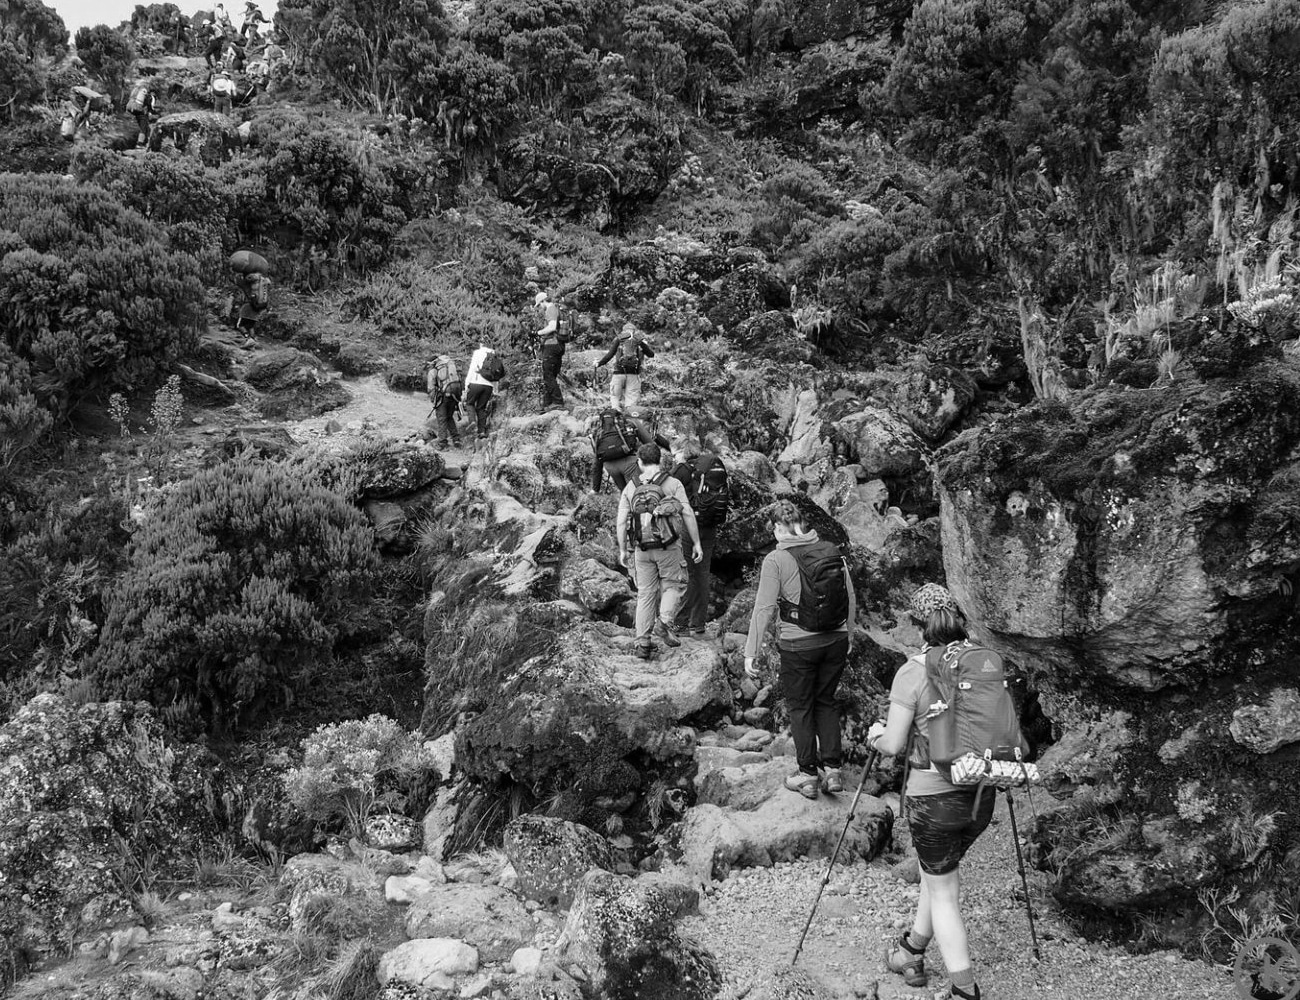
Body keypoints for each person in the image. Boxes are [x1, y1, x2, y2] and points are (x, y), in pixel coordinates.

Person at [867, 584, 990, 1000]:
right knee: (937, 873)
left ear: (919, 628)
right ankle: (911, 951)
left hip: (934, 799)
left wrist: (876, 734)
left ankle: (964, 989)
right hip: (980, 794)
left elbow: (895, 743)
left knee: (944, 894)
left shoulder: (913, 672)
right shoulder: (981, 661)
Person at [743, 499, 855, 800]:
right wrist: (850, 636)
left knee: (801, 706)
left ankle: (807, 775)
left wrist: (750, 650)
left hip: (798, 644)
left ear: (779, 527)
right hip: (836, 639)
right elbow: (850, 599)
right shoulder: (831, 550)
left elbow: (764, 608)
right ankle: (832, 770)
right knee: (826, 702)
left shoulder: (776, 560)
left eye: (774, 529)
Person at [616, 443, 703, 660]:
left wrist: (622, 550)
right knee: (675, 585)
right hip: (668, 547)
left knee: (645, 593)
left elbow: (620, 521)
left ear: (639, 462)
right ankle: (664, 623)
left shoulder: (630, 487)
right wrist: (697, 543)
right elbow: (688, 514)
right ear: (661, 461)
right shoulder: (672, 484)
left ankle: (643, 644)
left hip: (641, 548)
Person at [670, 441, 729, 636]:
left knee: (690, 575)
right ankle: (698, 623)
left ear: (683, 452)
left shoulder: (683, 470)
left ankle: (680, 623)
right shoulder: (712, 467)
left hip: (690, 525)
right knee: (703, 573)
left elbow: (666, 490)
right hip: (710, 524)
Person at [592, 405, 671, 492]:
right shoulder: (631, 422)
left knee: (625, 493)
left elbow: (597, 459)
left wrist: (595, 489)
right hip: (630, 464)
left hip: (610, 466)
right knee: (639, 492)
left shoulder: (599, 431)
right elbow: (651, 444)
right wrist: (657, 465)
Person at [595, 322, 654, 411]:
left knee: (615, 399)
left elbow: (609, 355)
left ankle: (615, 419)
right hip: (633, 375)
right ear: (634, 331)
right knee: (631, 405)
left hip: (618, 374)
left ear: (624, 331)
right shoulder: (639, 341)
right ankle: (629, 420)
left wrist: (598, 363)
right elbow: (651, 354)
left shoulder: (619, 340)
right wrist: (642, 344)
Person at [534, 291, 569, 411]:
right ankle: (547, 404)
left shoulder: (550, 309)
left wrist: (537, 333)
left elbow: (552, 326)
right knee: (551, 375)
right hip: (559, 345)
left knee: (548, 374)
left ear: (543, 301)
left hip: (551, 345)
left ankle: (558, 402)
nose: (539, 308)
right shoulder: (557, 309)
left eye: (539, 305)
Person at [464, 343, 504, 446]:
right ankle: (481, 432)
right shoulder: (493, 354)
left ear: (481, 344)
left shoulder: (477, 353)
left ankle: (472, 421)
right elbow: (496, 373)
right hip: (488, 386)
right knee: (481, 408)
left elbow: (472, 368)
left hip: (476, 382)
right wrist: (495, 390)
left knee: (469, 403)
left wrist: (466, 384)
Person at [426, 354, 463, 450]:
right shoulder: (450, 365)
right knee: (449, 416)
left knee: (441, 418)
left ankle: (442, 442)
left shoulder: (434, 370)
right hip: (455, 393)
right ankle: (456, 439)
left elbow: (431, 387)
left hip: (443, 395)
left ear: (432, 363)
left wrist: (433, 400)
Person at [232, 269, 271, 335]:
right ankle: (252, 340)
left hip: (250, 305)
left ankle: (247, 337)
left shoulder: (250, 281)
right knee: (250, 326)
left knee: (239, 325)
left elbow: (238, 281)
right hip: (261, 305)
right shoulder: (265, 281)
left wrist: (239, 275)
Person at [125, 80, 157, 148]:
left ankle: (139, 140)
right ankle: (140, 143)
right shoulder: (146, 92)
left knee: (139, 122)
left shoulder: (135, 90)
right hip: (138, 109)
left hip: (130, 107)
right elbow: (148, 104)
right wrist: (151, 112)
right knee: (143, 126)